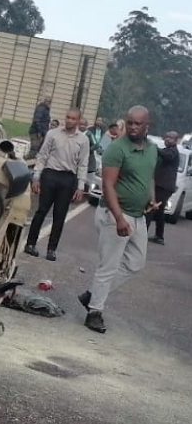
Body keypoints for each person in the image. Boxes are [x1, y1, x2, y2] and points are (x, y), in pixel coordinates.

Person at [79, 106, 159, 334]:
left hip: (138, 215)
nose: (133, 127)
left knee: (135, 263)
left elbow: (149, 175)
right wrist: (118, 218)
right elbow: (108, 186)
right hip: (116, 214)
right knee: (108, 265)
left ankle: (93, 295)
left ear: (147, 126)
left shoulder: (152, 149)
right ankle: (94, 312)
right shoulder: (117, 149)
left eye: (138, 124)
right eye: (130, 122)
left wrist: (151, 198)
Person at [22, 108, 90, 261]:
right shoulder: (53, 134)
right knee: (41, 211)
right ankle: (30, 244)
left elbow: (83, 164)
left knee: (59, 215)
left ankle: (52, 249)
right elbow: (42, 155)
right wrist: (36, 177)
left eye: (73, 119)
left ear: (78, 121)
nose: (69, 121)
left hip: (67, 178)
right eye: (67, 117)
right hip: (50, 174)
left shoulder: (83, 140)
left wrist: (80, 186)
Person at [145, 131, 180, 245]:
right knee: (159, 212)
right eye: (167, 137)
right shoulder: (166, 150)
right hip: (160, 185)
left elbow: (167, 157)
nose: (168, 139)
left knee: (151, 207)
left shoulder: (173, 152)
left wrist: (155, 148)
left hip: (164, 187)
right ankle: (159, 236)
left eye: (171, 138)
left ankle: (141, 233)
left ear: (176, 141)